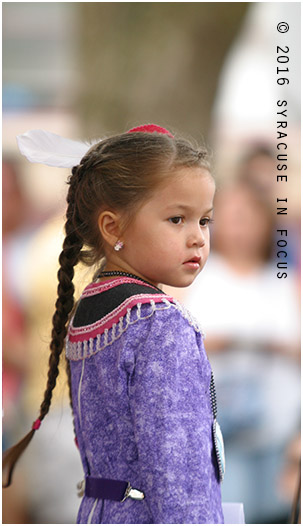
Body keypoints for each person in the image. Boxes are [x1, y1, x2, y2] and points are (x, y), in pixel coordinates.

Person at [3, 124, 224, 524]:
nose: (197, 238)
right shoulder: (160, 325)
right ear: (112, 226)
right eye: (177, 219)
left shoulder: (92, 309)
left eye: (204, 221)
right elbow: (179, 483)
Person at [184, 180, 300, 523]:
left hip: (279, 432)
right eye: (230, 217)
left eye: (248, 216)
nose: (240, 227)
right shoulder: (197, 280)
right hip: (220, 435)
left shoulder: (283, 282)